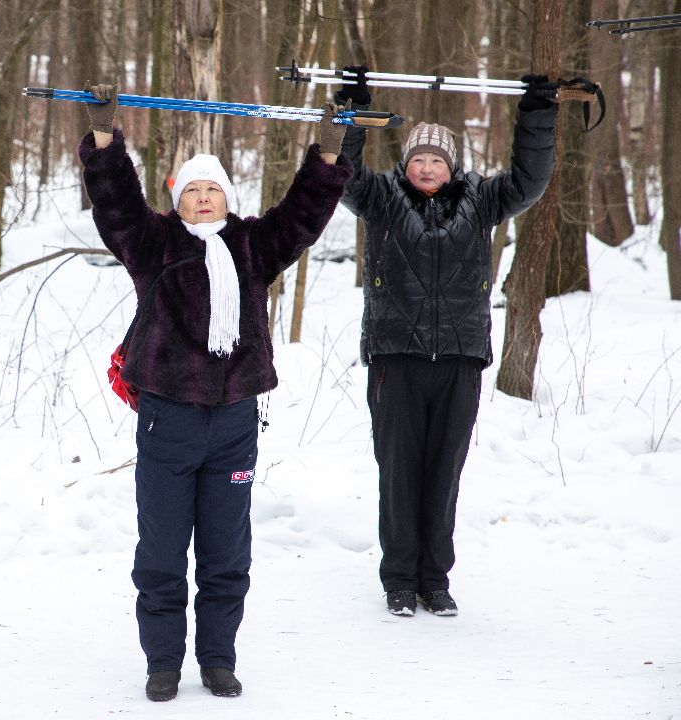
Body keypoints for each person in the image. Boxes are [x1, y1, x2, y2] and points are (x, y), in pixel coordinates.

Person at [78, 83, 351, 701]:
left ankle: (219, 659)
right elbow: (116, 204)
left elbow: (304, 216)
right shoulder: (156, 245)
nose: (204, 198)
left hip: (233, 423)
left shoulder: (254, 246)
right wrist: (103, 136)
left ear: (228, 197)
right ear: (179, 201)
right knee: (162, 551)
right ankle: (163, 663)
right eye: (193, 190)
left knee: (228, 553)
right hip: (167, 420)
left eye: (214, 190)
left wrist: (328, 152)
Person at [334, 66, 558, 617]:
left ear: (451, 165)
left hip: (459, 356)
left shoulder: (481, 200)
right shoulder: (382, 199)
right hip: (395, 357)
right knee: (400, 469)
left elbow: (530, 181)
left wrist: (537, 113)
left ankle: (435, 579)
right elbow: (341, 175)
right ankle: (399, 581)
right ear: (405, 164)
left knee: (444, 470)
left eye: (436, 159)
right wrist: (353, 113)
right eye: (418, 159)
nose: (427, 167)